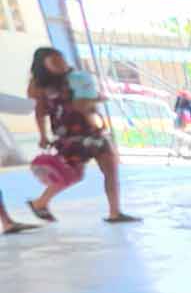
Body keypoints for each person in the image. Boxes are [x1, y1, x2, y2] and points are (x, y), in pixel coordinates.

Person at [25, 49, 138, 224]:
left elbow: (87, 98)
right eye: (54, 62)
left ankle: (115, 212)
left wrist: (94, 100)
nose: (61, 64)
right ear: (43, 65)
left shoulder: (76, 77)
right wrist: (43, 136)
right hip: (69, 134)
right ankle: (40, 203)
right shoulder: (39, 86)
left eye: (61, 59)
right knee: (72, 174)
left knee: (110, 168)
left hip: (92, 129)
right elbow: (40, 112)